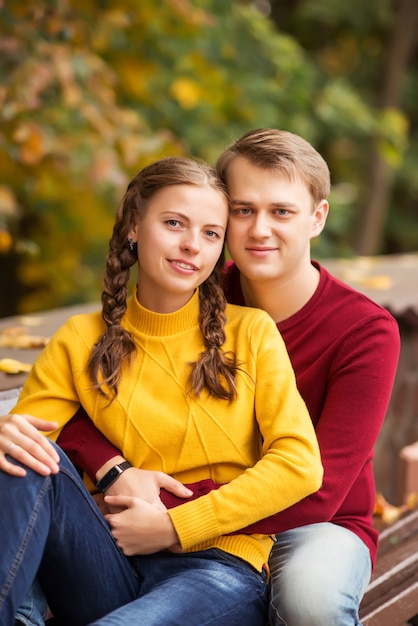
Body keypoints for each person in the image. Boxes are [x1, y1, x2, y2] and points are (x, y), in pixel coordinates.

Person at [53, 129, 401, 626]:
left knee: (311, 600)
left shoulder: (365, 330)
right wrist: (115, 469)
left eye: (281, 211)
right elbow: (73, 387)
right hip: (184, 518)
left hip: (312, 522)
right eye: (243, 210)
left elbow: (321, 487)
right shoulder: (193, 285)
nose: (260, 229)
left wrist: (175, 521)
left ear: (317, 218)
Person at [0, 156, 323, 626]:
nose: (192, 245)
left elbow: (299, 464)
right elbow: (34, 447)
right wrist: (8, 432)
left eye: (211, 233)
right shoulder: (78, 337)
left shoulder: (250, 332)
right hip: (105, 562)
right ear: (134, 226)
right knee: (22, 459)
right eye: (174, 223)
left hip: (216, 570)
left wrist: (176, 526)